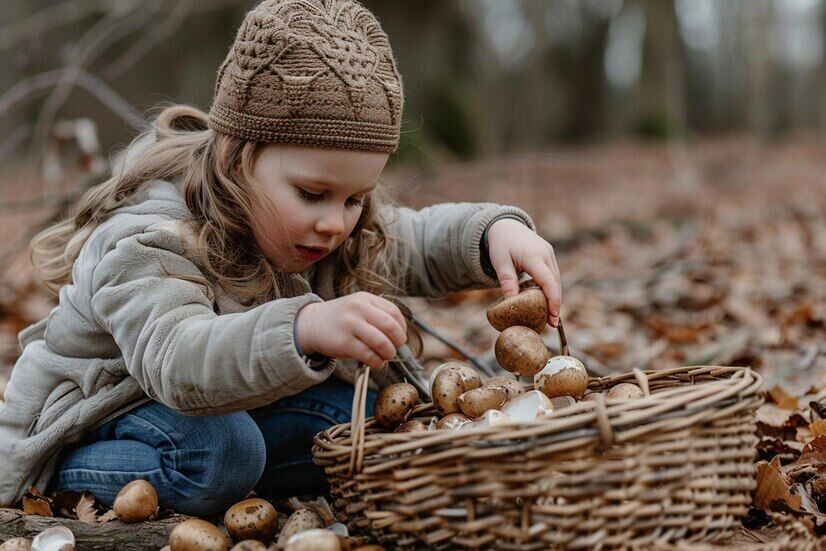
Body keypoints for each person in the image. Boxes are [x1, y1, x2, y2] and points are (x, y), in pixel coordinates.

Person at [0, 0, 561, 516]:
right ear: (234, 157)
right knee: (222, 453)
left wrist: (494, 234)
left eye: (355, 199)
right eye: (313, 195)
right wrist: (304, 327)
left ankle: (254, 493)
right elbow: (178, 360)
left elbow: (412, 237)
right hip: (95, 421)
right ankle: (60, 483)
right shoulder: (152, 237)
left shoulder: (323, 225)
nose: (336, 222)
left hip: (217, 409)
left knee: (359, 419)